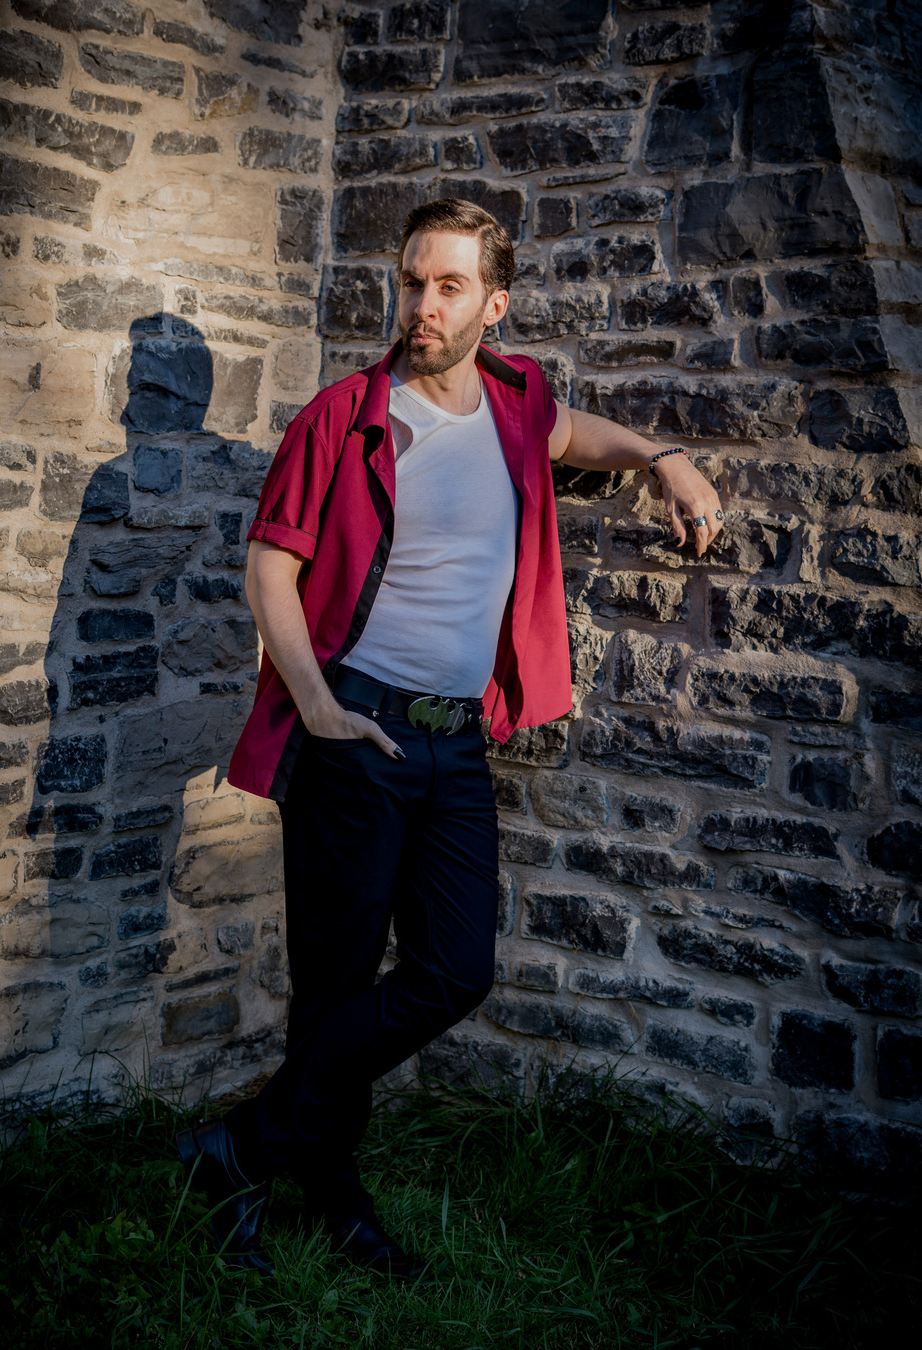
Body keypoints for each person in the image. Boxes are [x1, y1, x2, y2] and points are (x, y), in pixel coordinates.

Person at [175, 198, 724, 1278]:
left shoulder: (517, 404)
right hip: (359, 733)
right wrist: (318, 707)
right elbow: (269, 568)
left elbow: (575, 434)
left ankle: (237, 1149)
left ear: (494, 304)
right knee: (335, 987)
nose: (422, 306)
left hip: (457, 743)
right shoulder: (344, 417)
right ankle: (328, 1200)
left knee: (456, 969)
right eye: (412, 282)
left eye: (449, 286)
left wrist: (663, 457)